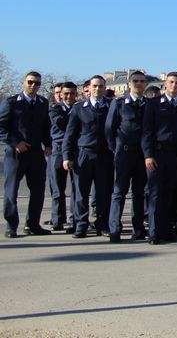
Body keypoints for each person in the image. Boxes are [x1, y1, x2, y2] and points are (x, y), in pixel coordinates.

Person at [0, 72, 52, 237]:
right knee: (11, 191)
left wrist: (48, 144)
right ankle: (11, 225)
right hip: (16, 154)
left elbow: (46, 127)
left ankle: (32, 224)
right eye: (30, 82)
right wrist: (15, 142)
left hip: (36, 153)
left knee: (38, 190)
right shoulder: (12, 102)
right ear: (23, 82)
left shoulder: (42, 103)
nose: (33, 86)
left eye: (37, 83)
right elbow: (1, 127)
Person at [63, 76, 112, 238]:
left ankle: (102, 224)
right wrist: (67, 156)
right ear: (89, 88)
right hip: (83, 154)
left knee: (104, 192)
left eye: (101, 86)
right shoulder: (79, 108)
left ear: (105, 88)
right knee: (81, 192)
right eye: (95, 86)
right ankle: (81, 225)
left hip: (104, 155)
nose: (98, 89)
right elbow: (70, 134)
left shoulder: (111, 106)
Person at [142, 72, 177, 244]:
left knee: (170, 193)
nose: (174, 85)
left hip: (175, 155)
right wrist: (148, 155)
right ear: (165, 84)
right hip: (157, 154)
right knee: (155, 194)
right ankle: (154, 232)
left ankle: (166, 230)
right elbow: (147, 132)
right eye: (171, 82)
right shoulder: (154, 104)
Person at [105, 71, 149, 242]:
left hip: (142, 154)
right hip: (124, 151)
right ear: (129, 84)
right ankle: (114, 228)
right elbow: (109, 129)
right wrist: (115, 148)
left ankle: (138, 229)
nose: (139, 84)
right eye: (136, 81)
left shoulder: (148, 104)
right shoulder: (119, 103)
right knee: (119, 191)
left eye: (142, 81)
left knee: (140, 192)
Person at [47, 81, 77, 232]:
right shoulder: (55, 109)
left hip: (75, 150)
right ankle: (58, 218)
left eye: (72, 93)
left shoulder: (79, 108)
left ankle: (75, 219)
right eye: (66, 93)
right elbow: (62, 123)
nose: (69, 96)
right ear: (60, 95)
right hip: (58, 151)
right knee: (58, 188)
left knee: (76, 188)